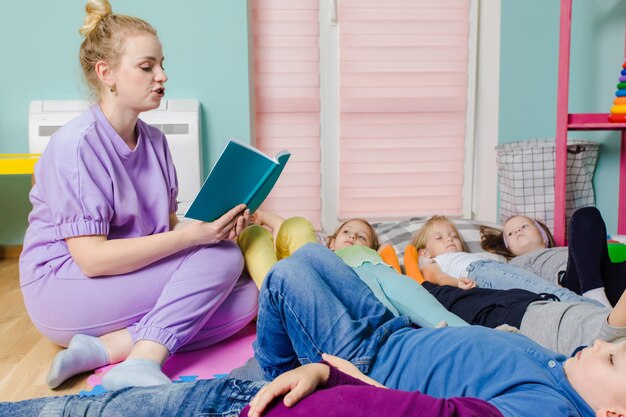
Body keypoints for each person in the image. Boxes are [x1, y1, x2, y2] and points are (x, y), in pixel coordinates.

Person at [18, 0, 258, 391]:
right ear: (106, 73)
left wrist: (212, 227)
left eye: (162, 64)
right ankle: (143, 359)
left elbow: (166, 227)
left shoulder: (156, 143)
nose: (162, 76)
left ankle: (105, 348)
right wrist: (192, 239)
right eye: (147, 67)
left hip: (123, 277)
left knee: (247, 298)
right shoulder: (75, 146)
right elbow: (92, 260)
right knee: (223, 264)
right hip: (62, 285)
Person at [253, 243, 626, 417]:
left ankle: (274, 376)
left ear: (611, 415)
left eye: (609, 359)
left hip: (366, 363)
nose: (597, 345)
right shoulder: (569, 370)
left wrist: (356, 386)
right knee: (311, 253)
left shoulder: (551, 407)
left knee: (286, 276)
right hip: (395, 332)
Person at [0, 359, 503, 417]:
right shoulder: (484, 409)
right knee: (89, 410)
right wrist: (323, 374)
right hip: (242, 400)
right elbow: (385, 399)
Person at [239, 212, 468, 327]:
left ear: (373, 248)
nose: (353, 237)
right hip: (338, 281)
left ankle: (475, 334)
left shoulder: (373, 256)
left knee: (418, 303)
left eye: (362, 237)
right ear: (330, 242)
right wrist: (260, 216)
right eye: (347, 232)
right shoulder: (320, 255)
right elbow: (287, 230)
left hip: (377, 272)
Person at [411, 215, 599, 305]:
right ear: (425, 253)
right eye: (439, 238)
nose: (450, 239)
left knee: (545, 291)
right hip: (477, 272)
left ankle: (592, 309)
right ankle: (598, 311)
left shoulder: (470, 255)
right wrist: (455, 282)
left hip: (492, 269)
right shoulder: (436, 260)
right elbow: (433, 275)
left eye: (453, 236)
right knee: (547, 291)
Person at [481, 206, 626, 308]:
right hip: (573, 284)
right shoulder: (515, 264)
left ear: (543, 235)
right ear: (509, 248)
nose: (517, 230)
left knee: (589, 214)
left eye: (524, 226)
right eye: (510, 234)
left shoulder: (566, 248)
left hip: (604, 275)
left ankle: (596, 292)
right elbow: (522, 288)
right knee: (583, 215)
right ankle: (592, 293)